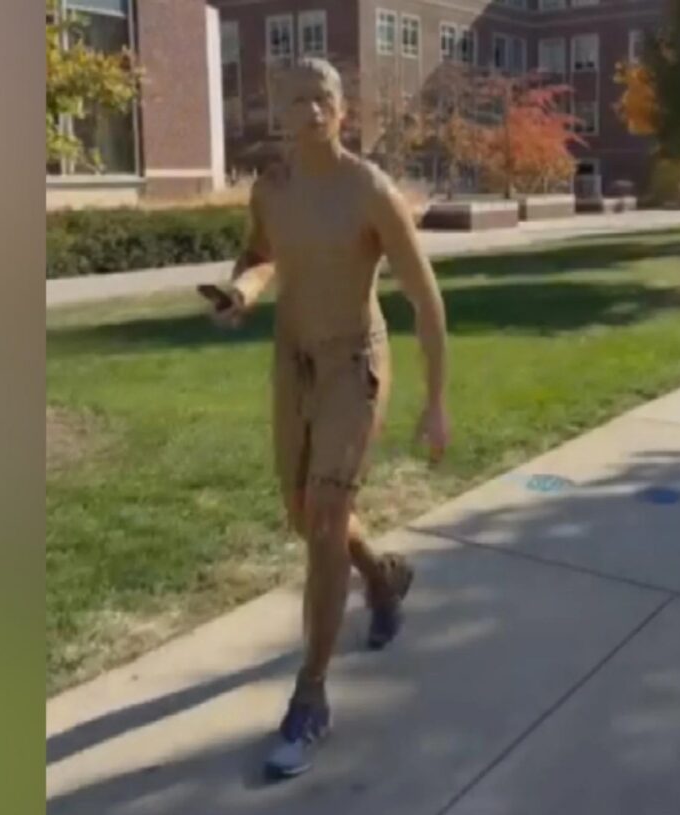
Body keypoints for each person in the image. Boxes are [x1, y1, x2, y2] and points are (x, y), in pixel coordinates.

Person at [207, 56, 449, 779]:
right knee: (307, 511)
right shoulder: (271, 188)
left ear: (344, 110)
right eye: (294, 100)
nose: (309, 112)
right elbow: (259, 254)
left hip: (354, 364)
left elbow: (426, 301)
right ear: (275, 111)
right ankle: (381, 578)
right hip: (293, 362)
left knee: (323, 520)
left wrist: (436, 402)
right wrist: (242, 291)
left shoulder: (367, 191)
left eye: (322, 99)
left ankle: (310, 698)